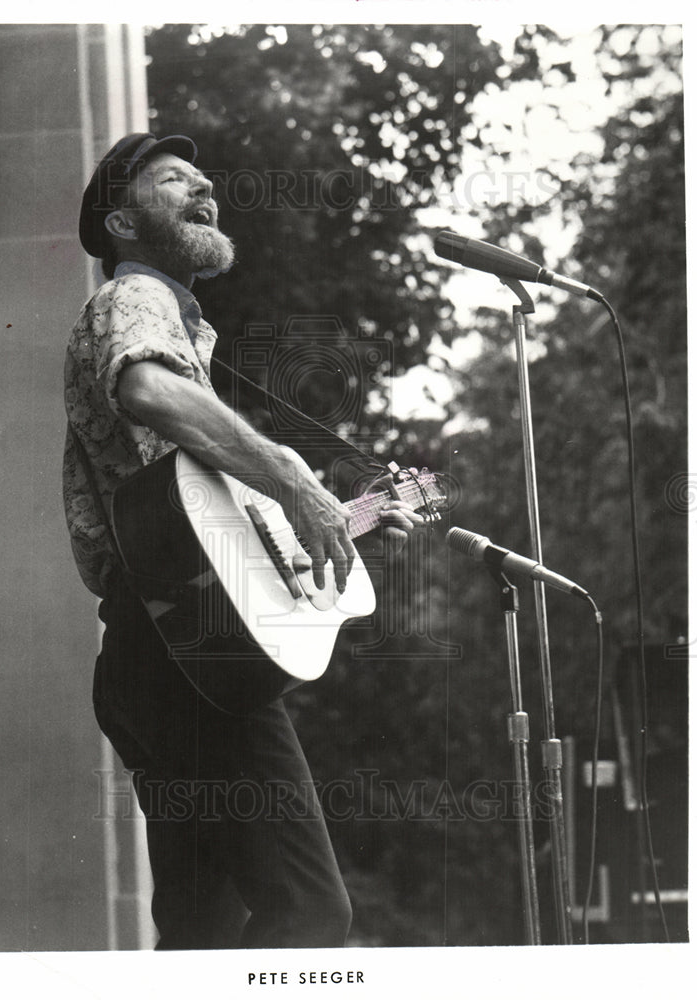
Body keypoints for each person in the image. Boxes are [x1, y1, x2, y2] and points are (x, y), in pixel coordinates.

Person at [63, 132, 423, 949]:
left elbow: (213, 541)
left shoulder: (187, 332)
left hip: (156, 653)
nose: (202, 187)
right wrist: (296, 482)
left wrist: (349, 517)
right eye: (171, 179)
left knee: (201, 931)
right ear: (122, 223)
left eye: (204, 179)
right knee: (310, 909)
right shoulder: (135, 298)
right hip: (192, 659)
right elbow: (148, 388)